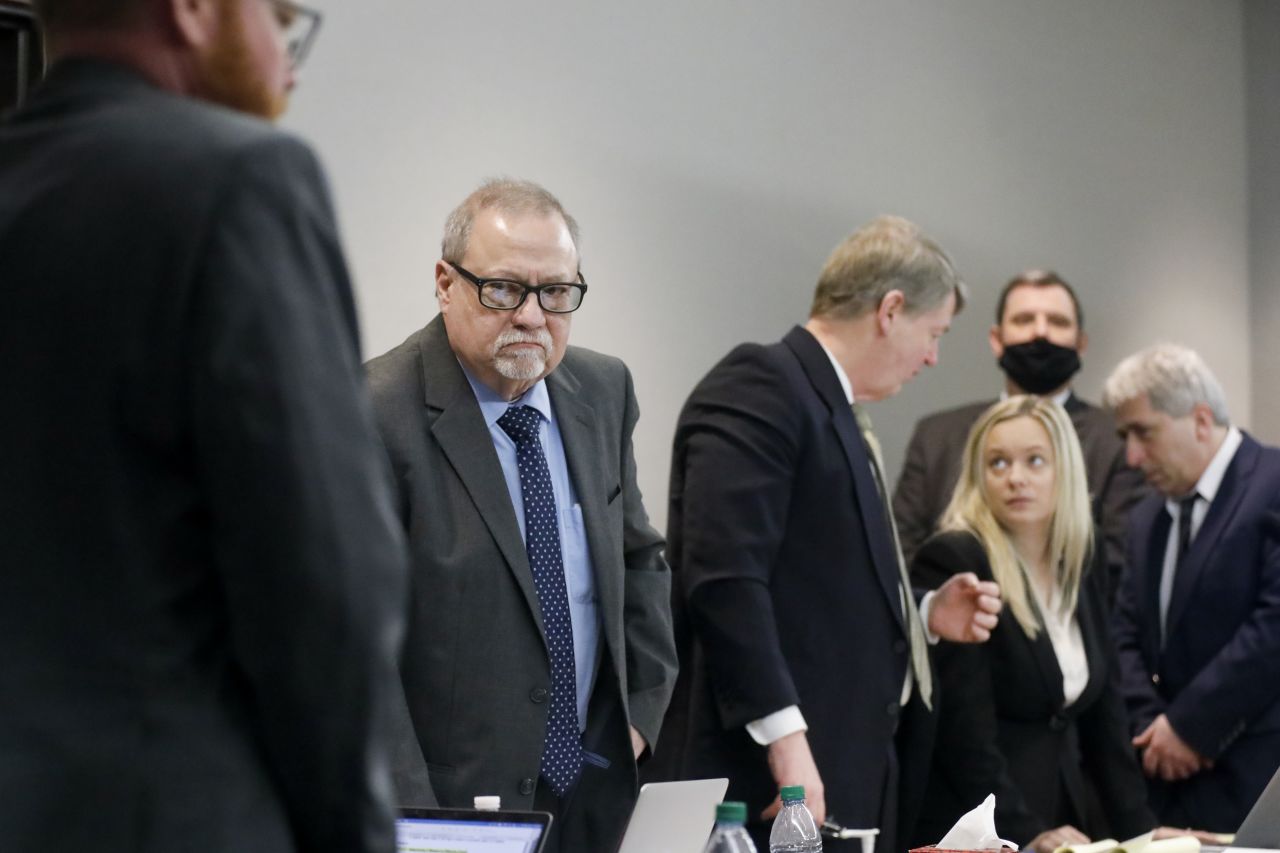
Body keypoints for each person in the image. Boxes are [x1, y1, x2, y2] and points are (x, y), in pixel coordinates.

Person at [0, 2, 408, 852]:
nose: (287, 59)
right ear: (191, 11)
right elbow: (325, 584)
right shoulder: (240, 179)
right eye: (278, 16)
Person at [647, 215, 1003, 853]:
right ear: (891, 309)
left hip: (832, 779)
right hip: (759, 789)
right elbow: (725, 580)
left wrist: (920, 616)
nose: (933, 356)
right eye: (934, 332)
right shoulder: (760, 385)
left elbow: (816, 589)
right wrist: (787, 743)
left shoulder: (832, 410)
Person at [365, 178, 678, 853]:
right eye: (504, 289)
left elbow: (639, 561)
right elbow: (353, 651)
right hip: (450, 812)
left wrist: (639, 716)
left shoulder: (602, 389)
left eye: (557, 292)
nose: (533, 316)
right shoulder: (372, 413)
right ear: (446, 283)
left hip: (592, 789)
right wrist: (415, 821)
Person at [909, 396, 1155, 852]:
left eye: (1034, 461)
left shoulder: (1081, 557)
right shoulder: (957, 559)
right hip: (982, 827)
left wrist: (1142, 833)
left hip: (1065, 817)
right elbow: (965, 734)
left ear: (1064, 471)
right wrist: (1024, 833)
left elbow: (1106, 712)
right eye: (997, 463)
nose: (1014, 478)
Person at [1104, 344, 1280, 832]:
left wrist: (1190, 727)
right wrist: (1154, 731)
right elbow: (1124, 635)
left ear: (1201, 419)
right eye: (1124, 437)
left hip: (1255, 776)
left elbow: (1273, 627)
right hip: (1162, 780)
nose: (1133, 457)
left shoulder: (1273, 481)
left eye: (1144, 433)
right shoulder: (1146, 517)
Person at [894, 270, 1146, 603]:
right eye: (1024, 319)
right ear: (997, 340)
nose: (1040, 333)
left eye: (1057, 321)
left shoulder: (1114, 440)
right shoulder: (937, 436)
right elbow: (901, 552)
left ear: (1081, 343)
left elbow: (1119, 565)